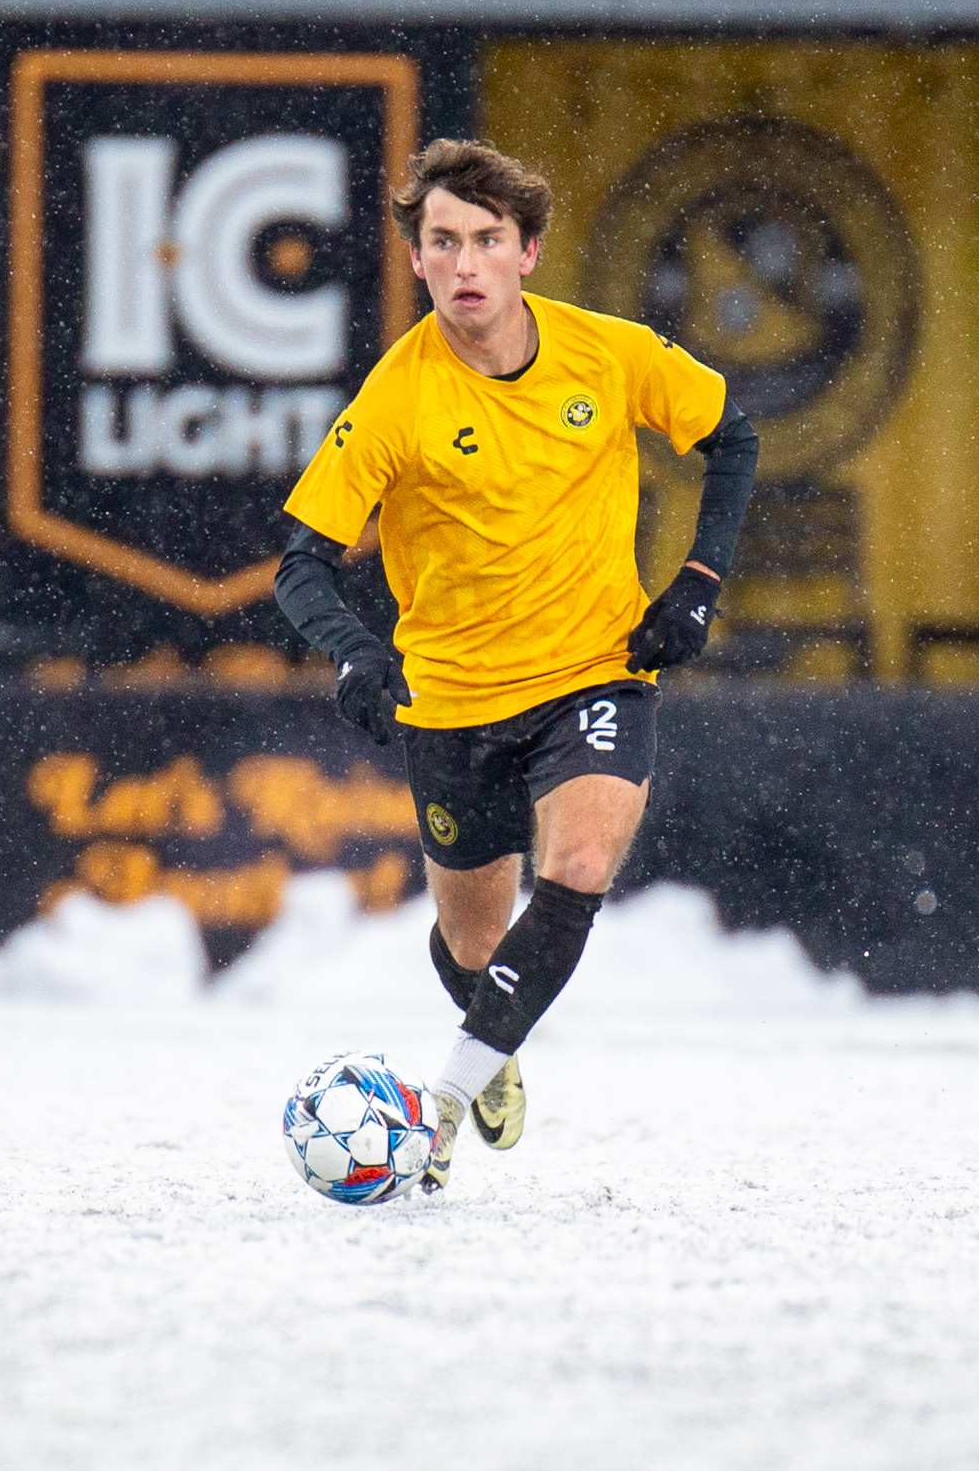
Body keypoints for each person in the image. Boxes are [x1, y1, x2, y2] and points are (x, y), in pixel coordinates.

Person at [275, 138, 756, 1192]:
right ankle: (493, 1043)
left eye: (487, 240)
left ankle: (439, 1108)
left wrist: (698, 583)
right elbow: (300, 564)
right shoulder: (397, 399)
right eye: (442, 241)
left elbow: (733, 434)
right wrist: (357, 658)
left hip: (596, 670)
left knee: (580, 866)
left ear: (527, 252)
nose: (464, 263)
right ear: (416, 260)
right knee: (471, 946)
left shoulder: (610, 355)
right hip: (451, 702)